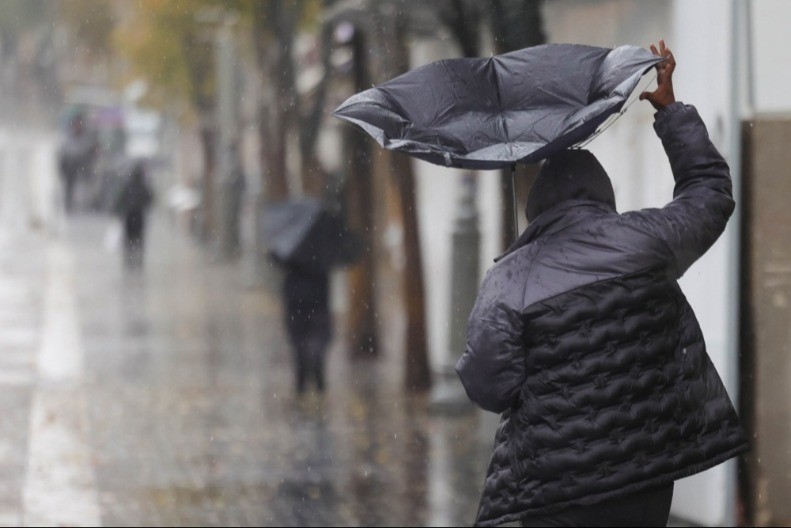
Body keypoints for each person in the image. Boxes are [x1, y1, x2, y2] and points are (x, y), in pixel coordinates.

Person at [455, 41, 749, 527]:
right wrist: (671, 111)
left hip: (555, 489)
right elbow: (710, 194)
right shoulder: (645, 241)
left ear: (537, 206)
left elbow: (489, 385)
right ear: (602, 192)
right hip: (646, 472)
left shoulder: (510, 278)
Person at [281, 263, 331, 395]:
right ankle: (315, 381)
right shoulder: (323, 252)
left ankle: (304, 383)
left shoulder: (290, 251)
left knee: (302, 344)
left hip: (300, 300)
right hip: (314, 300)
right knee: (313, 344)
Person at [113, 161, 154, 270]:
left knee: (129, 239)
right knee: (139, 239)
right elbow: (150, 199)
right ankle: (138, 260)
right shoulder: (142, 186)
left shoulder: (128, 185)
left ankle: (129, 260)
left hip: (129, 216)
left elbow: (120, 200)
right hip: (138, 216)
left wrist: (117, 211)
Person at [58, 111, 98, 213]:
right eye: (77, 124)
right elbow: (63, 155)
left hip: (84, 166)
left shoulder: (88, 138)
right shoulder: (68, 138)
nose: (78, 126)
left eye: (80, 124)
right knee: (70, 182)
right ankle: (69, 204)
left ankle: (88, 204)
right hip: (70, 167)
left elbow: (92, 153)